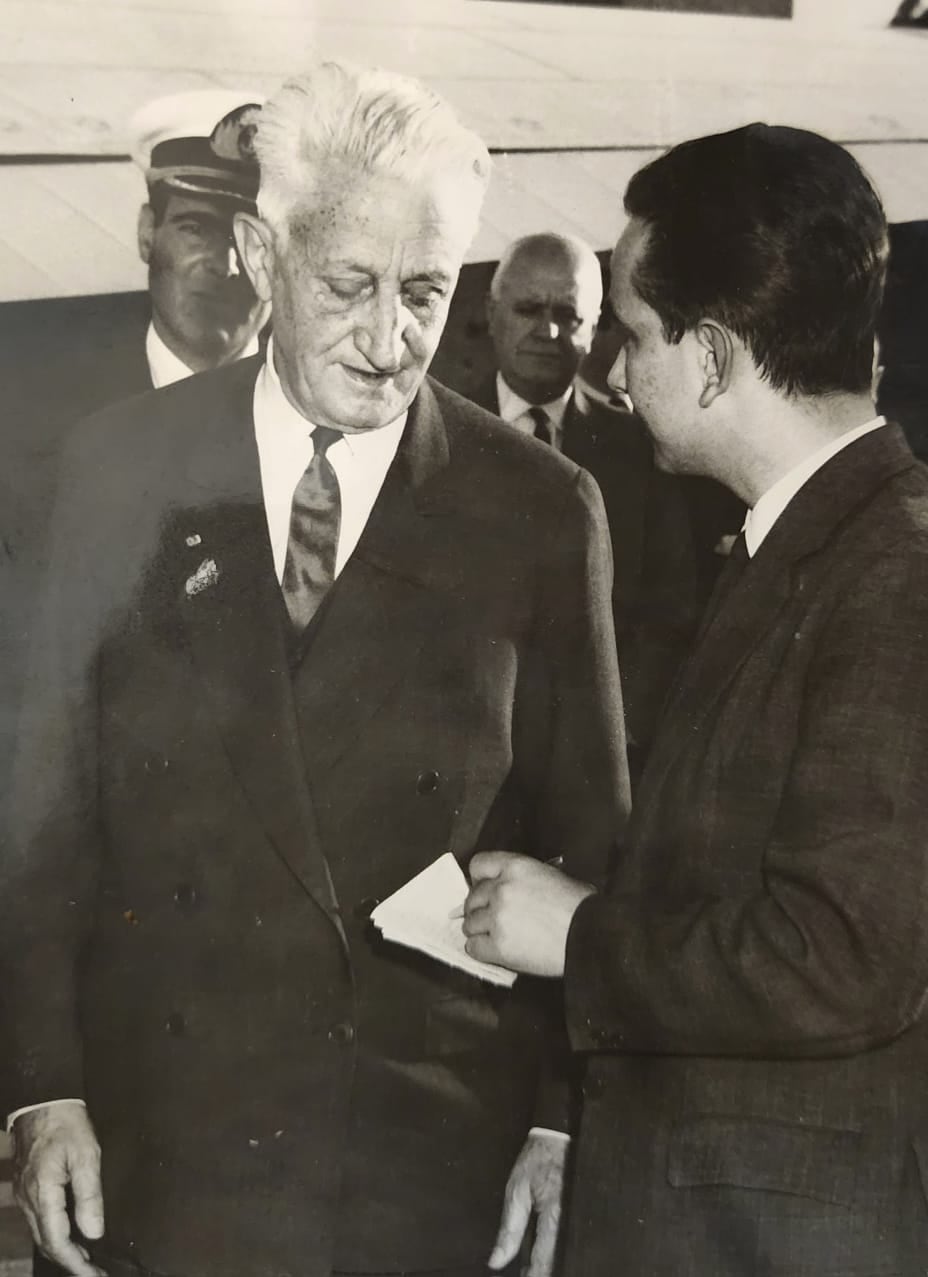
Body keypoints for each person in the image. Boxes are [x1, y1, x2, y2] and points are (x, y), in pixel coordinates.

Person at [0, 61, 629, 1277]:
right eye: (348, 285)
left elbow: (590, 835)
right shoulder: (113, 472)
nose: (389, 340)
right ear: (258, 250)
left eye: (427, 292)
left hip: (428, 1160)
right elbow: (41, 819)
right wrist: (41, 1090)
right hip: (163, 1146)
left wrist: (560, 1117)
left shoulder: (542, 508)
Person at [462, 124, 928, 1276]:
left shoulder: (904, 585)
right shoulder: (815, 552)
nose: (616, 371)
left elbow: (844, 952)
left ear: (713, 358)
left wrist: (576, 932)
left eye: (635, 335)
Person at [0, 89, 271, 836]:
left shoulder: (328, 436)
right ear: (148, 230)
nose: (225, 263)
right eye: (194, 227)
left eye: (254, 238)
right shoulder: (31, 440)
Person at [471, 232, 703, 754]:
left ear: (594, 327)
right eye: (528, 308)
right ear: (492, 313)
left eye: (568, 314)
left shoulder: (641, 451)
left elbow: (670, 616)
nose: (547, 330)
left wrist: (617, 732)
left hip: (594, 749)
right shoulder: (435, 437)